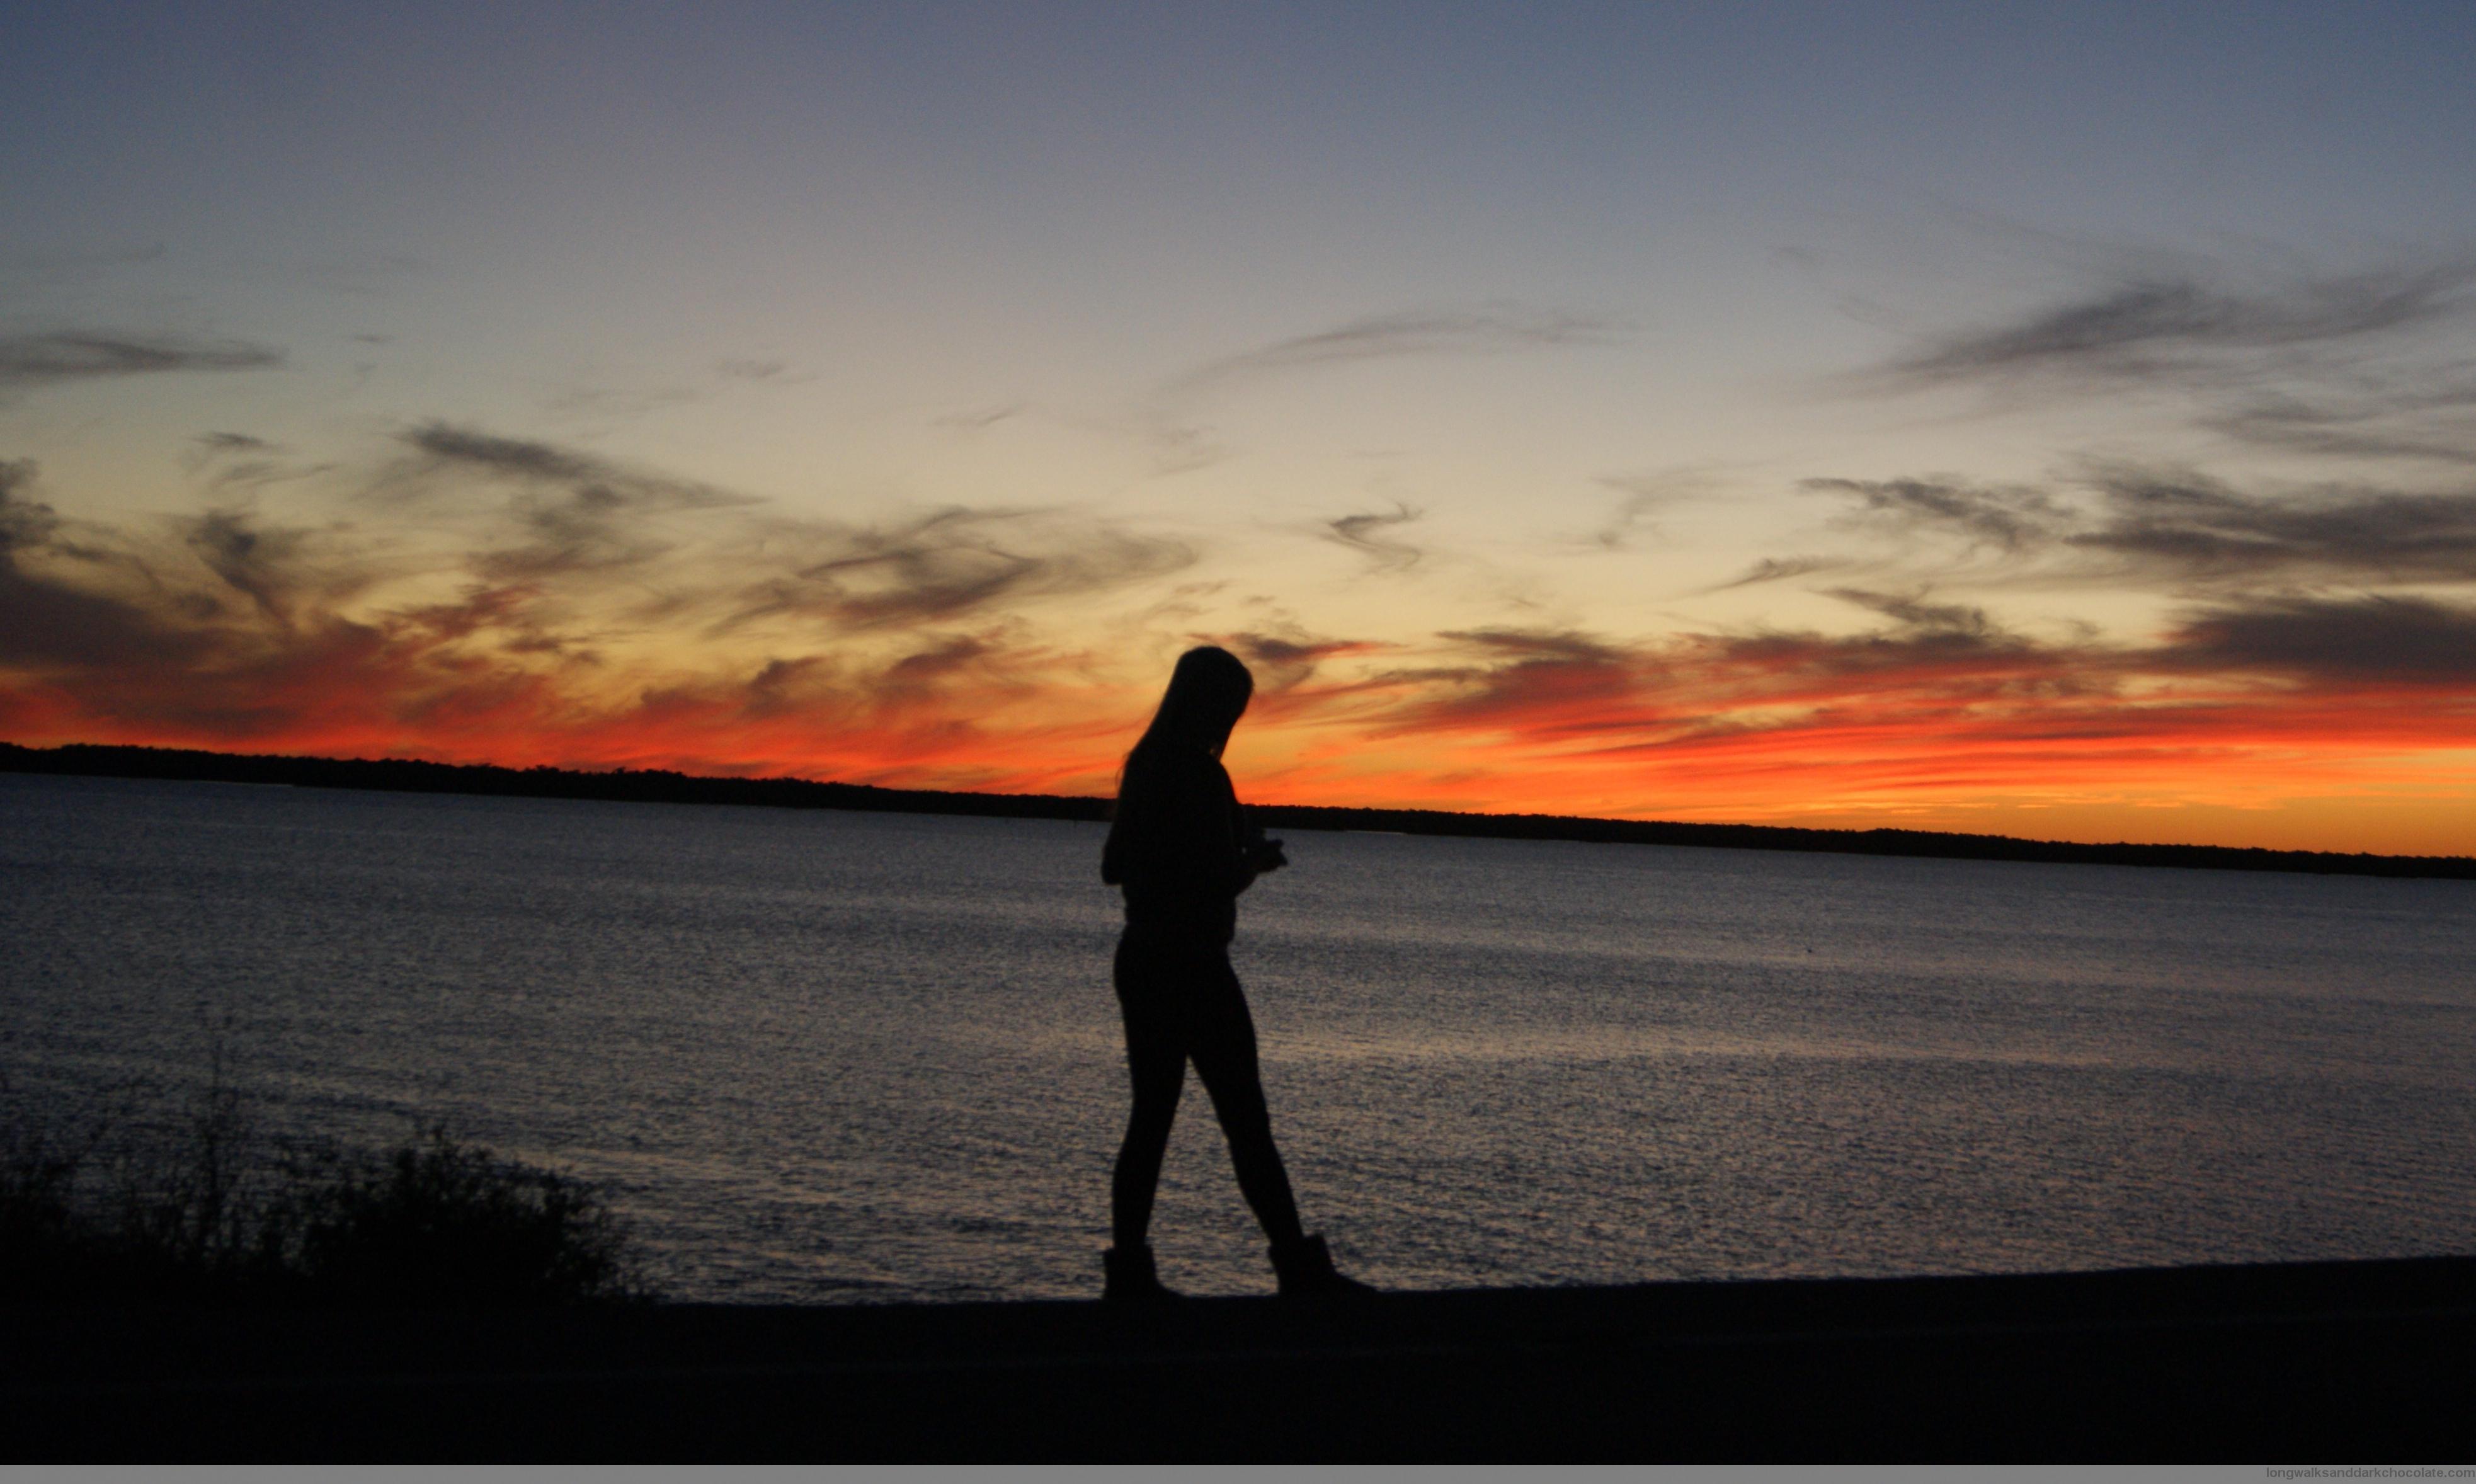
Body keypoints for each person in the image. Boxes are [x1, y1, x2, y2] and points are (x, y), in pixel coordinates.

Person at [1097, 644, 1370, 1301]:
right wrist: (1253, 860)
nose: (1232, 720)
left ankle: (1129, 1279)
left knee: (1150, 1120)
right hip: (1192, 965)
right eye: (1231, 707)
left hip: (1143, 957)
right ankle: (1299, 1272)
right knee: (1245, 1122)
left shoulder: (1144, 765)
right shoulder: (1200, 774)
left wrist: (1218, 856)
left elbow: (1113, 868)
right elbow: (1212, 880)